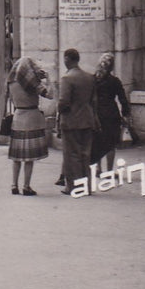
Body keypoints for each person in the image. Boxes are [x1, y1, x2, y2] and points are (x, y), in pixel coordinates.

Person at [56, 48, 99, 194]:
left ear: (67, 59)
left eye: (64, 58)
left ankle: (73, 186)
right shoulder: (89, 77)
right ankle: (86, 186)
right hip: (87, 120)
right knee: (85, 154)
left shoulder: (67, 78)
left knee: (71, 154)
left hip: (71, 121)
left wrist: (60, 114)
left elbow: (63, 102)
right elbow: (94, 101)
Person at [8, 56, 52, 196]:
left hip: (18, 117)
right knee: (29, 157)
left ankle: (14, 184)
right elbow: (50, 94)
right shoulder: (32, 83)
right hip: (31, 117)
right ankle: (26, 186)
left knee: (17, 156)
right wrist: (48, 79)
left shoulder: (11, 82)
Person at [90, 53, 131, 175]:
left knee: (97, 141)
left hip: (96, 113)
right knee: (110, 143)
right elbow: (123, 99)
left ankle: (98, 169)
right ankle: (109, 171)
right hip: (111, 114)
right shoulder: (115, 81)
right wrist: (126, 115)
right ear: (112, 67)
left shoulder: (93, 80)